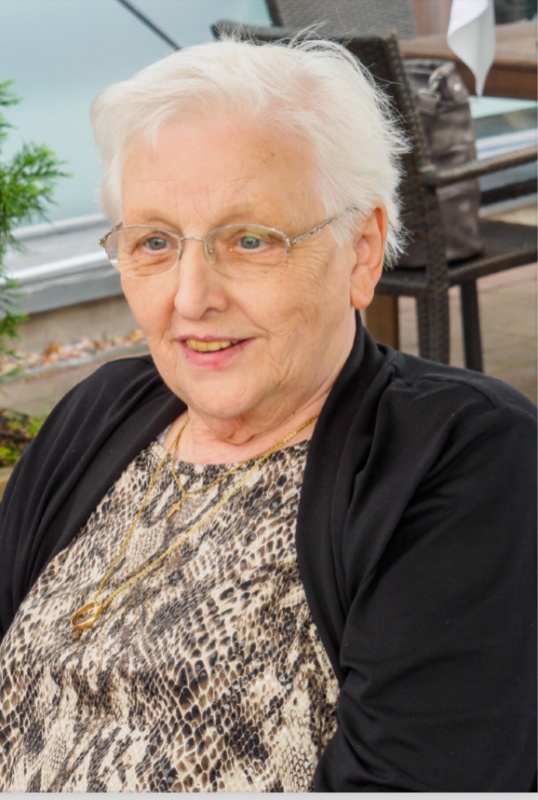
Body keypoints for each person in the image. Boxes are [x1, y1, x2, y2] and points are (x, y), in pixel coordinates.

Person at [0, 33, 535, 793]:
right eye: (154, 242)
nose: (191, 298)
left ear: (361, 251)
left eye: (250, 240)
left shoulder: (464, 457)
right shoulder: (99, 411)